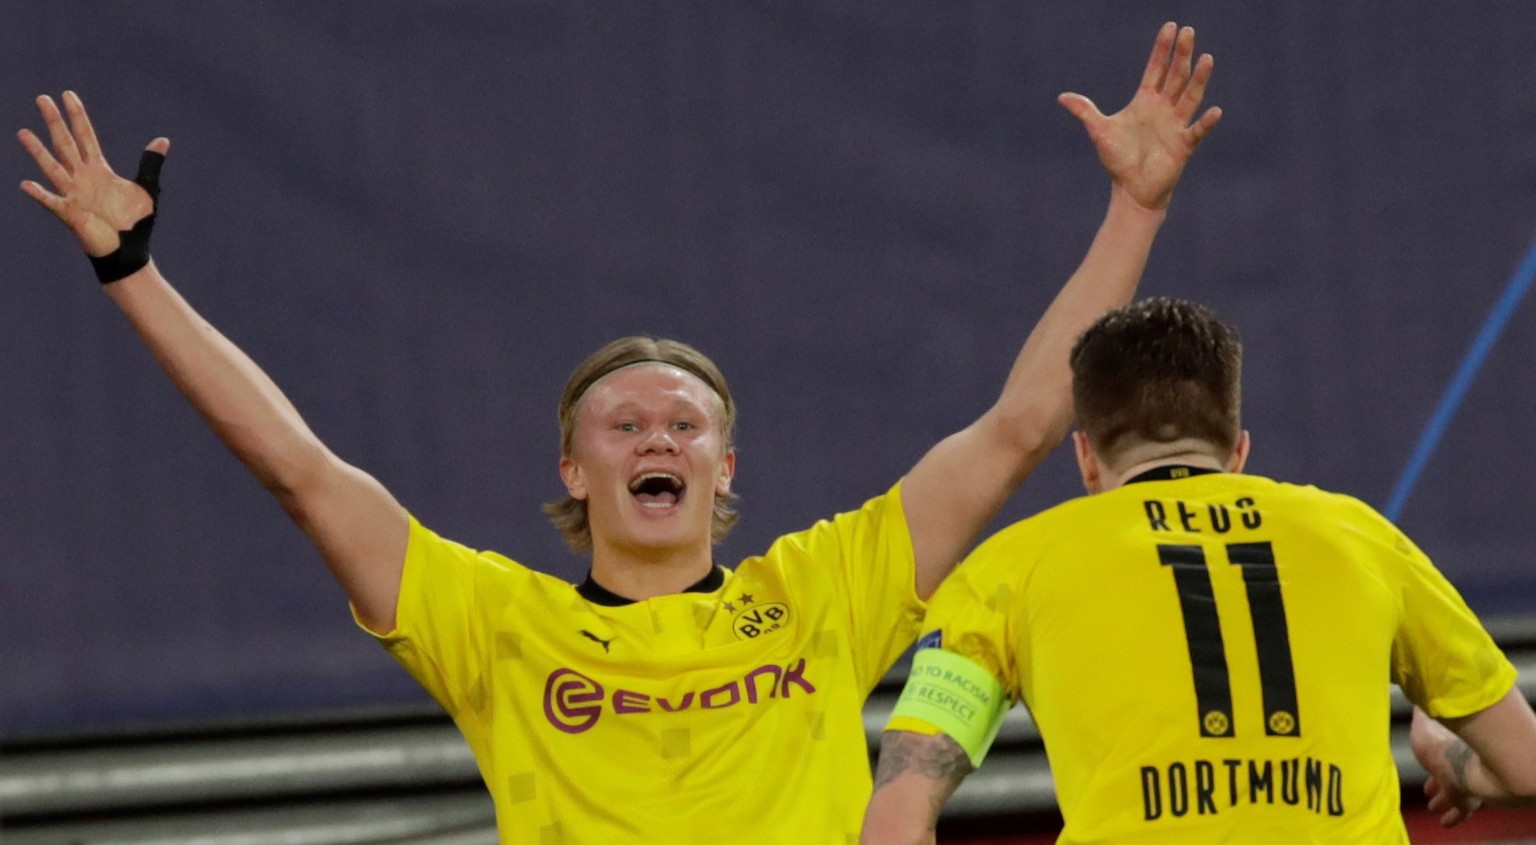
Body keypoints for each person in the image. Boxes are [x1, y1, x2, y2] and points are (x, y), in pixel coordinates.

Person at [17, 23, 1220, 843]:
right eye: (626, 420)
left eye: (687, 422)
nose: (661, 435)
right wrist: (132, 274)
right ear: (573, 469)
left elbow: (1021, 422)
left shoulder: (823, 590)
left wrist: (1132, 206)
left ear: (724, 464)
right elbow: (297, 468)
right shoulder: (492, 621)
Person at [860, 297, 1536, 844]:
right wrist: (1452, 760)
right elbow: (1528, 767)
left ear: (1086, 458)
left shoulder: (1009, 567)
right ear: (1238, 452)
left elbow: (895, 822)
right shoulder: (1358, 535)